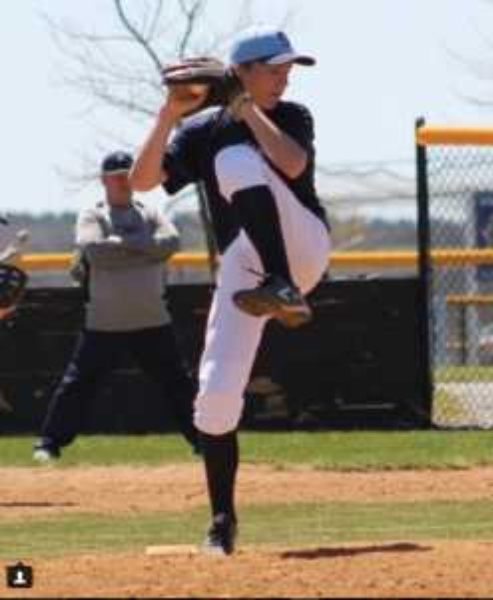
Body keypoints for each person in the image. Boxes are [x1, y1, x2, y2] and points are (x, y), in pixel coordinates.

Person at [129, 25, 331, 555]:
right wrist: (168, 116)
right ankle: (222, 521)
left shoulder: (290, 116)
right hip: (246, 265)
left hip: (302, 244)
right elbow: (142, 182)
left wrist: (244, 109)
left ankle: (282, 284)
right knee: (215, 395)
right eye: (275, 69)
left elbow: (291, 163)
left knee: (234, 159)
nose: (285, 78)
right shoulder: (202, 131)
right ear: (241, 71)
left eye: (288, 69)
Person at [33, 151, 201, 461]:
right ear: (104, 180)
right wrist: (145, 247)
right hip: (104, 323)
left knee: (177, 384)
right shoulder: (93, 215)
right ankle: (48, 444)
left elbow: (171, 243)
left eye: (128, 174)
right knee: (76, 386)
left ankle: (204, 441)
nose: (124, 181)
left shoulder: (151, 213)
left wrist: (120, 244)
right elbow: (95, 251)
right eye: (117, 176)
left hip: (152, 320)